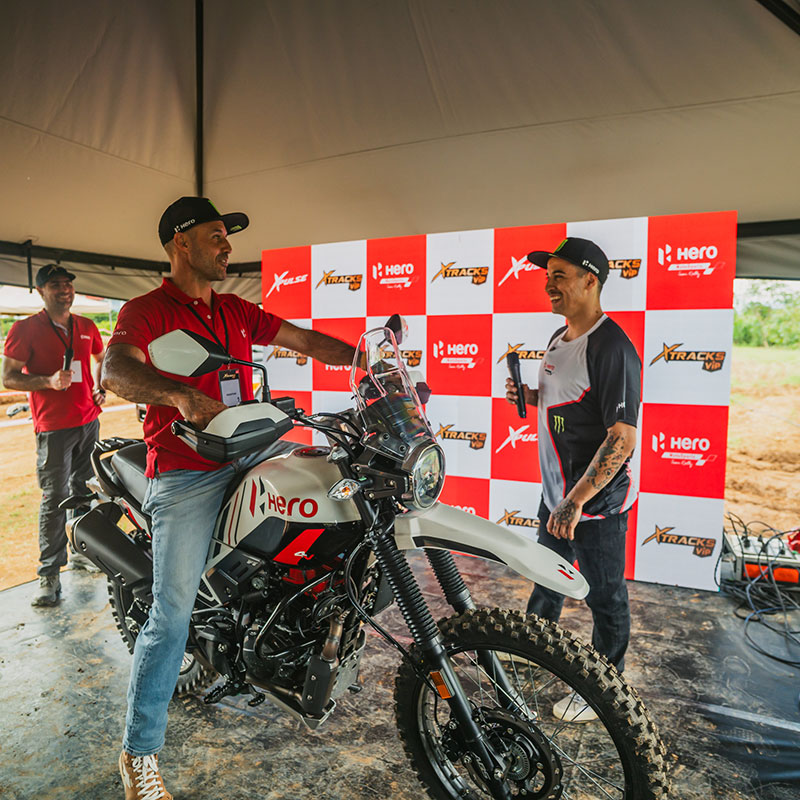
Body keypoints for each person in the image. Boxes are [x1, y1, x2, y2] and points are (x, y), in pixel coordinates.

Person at [102, 196, 364, 800]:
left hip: (249, 451)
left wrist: (366, 363)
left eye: (228, 236)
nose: (227, 247)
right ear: (181, 242)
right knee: (170, 615)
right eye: (216, 235)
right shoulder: (146, 311)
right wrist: (179, 396)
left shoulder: (236, 310)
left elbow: (304, 340)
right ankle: (138, 753)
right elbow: (114, 371)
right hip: (187, 472)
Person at [505, 237, 641, 723]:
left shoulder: (612, 347)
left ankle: (605, 689)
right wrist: (528, 395)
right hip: (557, 495)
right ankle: (533, 649)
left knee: (605, 598)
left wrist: (576, 500)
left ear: (590, 280)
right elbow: (568, 403)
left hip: (593, 503)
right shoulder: (558, 338)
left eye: (559, 276)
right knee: (548, 578)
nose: (549, 285)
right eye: (548, 276)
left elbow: (621, 437)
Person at [2, 264, 105, 607]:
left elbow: (101, 357)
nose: (64, 290)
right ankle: (49, 574)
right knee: (55, 498)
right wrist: (47, 381)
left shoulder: (86, 326)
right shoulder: (25, 329)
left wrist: (100, 386)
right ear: (41, 291)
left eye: (68, 284)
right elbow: (8, 377)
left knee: (84, 490)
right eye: (56, 284)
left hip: (88, 421)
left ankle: (81, 552)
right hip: (53, 427)